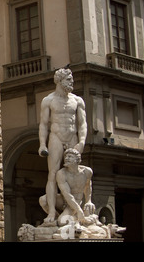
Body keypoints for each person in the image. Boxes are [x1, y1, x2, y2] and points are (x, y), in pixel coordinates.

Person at [38, 67, 87, 224]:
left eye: (72, 80)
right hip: (56, 137)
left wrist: (82, 141)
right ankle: (52, 212)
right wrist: (42, 145)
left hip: (72, 136)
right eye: (68, 80)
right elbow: (44, 124)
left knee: (74, 172)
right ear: (59, 81)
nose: (71, 82)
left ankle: (74, 209)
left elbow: (82, 124)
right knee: (52, 174)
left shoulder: (78, 100)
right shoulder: (48, 100)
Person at [39, 148, 95, 226]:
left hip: (77, 200)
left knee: (62, 221)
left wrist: (88, 201)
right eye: (65, 157)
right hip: (64, 199)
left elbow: (88, 186)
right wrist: (79, 211)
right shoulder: (61, 173)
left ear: (77, 159)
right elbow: (67, 194)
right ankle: (56, 219)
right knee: (43, 200)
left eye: (70, 156)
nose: (66, 158)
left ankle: (71, 220)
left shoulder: (87, 171)